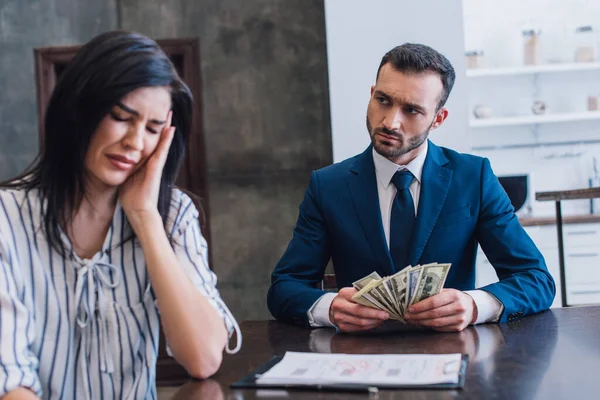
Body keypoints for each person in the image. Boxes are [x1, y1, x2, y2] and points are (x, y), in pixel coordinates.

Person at [0, 31, 240, 400]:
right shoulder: (6, 216)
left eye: (153, 129)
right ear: (78, 109)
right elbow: (10, 380)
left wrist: (145, 218)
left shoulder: (173, 215)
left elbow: (203, 357)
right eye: (121, 117)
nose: (135, 141)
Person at [267, 43, 555, 333]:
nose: (390, 121)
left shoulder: (474, 177)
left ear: (438, 119)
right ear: (371, 95)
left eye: (412, 110)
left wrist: (474, 305)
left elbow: (536, 279)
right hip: (359, 359)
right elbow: (284, 288)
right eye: (383, 100)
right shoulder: (327, 185)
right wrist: (328, 308)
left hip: (453, 357)